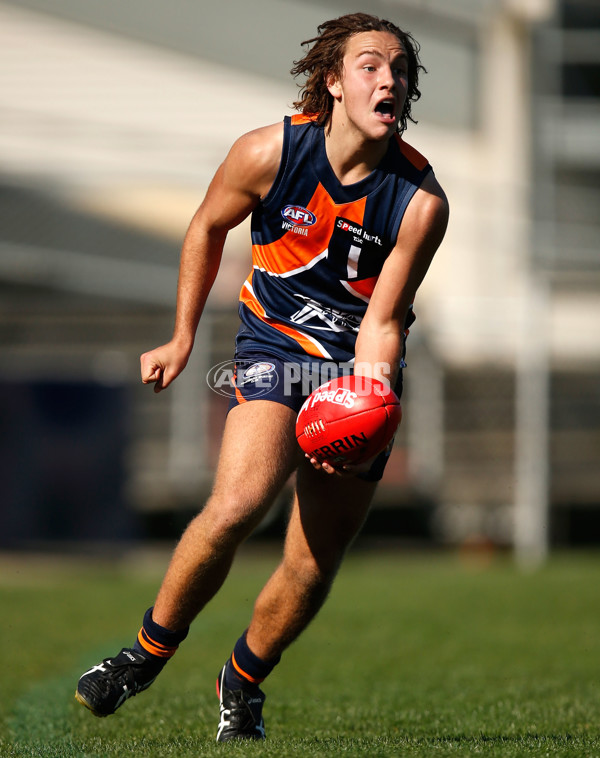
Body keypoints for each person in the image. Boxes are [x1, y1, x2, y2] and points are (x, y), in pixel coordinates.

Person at [75, 12, 448, 741]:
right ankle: (145, 655)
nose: (390, 80)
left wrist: (366, 398)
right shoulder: (267, 152)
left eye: (400, 69)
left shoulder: (420, 201)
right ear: (333, 82)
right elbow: (205, 227)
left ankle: (241, 679)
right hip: (272, 346)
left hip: (356, 365)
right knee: (239, 502)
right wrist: (182, 336)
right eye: (371, 65)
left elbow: (383, 318)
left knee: (313, 565)